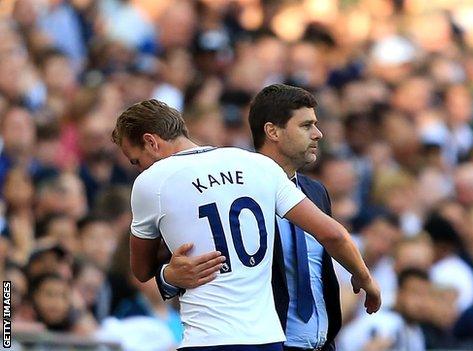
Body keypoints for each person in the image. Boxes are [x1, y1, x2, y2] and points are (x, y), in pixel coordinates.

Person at [111, 99, 380, 350]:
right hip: (268, 337)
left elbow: (141, 269)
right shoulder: (258, 166)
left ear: (151, 142)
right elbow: (333, 234)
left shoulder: (152, 181)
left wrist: (169, 275)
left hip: (208, 338)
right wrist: (364, 278)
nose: (139, 168)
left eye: (136, 160)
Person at [157, 84, 346, 351]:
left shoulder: (316, 192)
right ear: (272, 131)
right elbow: (176, 264)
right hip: (265, 343)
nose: (318, 134)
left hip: (321, 344)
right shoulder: (228, 192)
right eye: (306, 126)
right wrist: (168, 277)